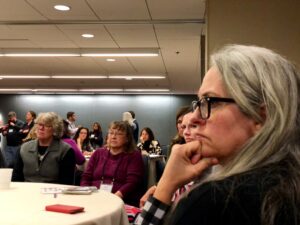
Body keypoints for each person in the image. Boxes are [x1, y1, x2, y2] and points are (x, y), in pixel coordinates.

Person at [135, 45, 300, 225]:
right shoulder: (290, 186)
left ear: (260, 118)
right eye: (198, 103)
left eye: (210, 102)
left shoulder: (213, 202)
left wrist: (165, 186)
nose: (193, 117)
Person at [80, 121, 144, 206]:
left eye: (119, 134)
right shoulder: (98, 153)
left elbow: (132, 183)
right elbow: (86, 177)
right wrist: (86, 194)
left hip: (120, 202)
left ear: (127, 138)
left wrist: (113, 199)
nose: (113, 137)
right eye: (111, 133)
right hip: (93, 199)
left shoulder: (134, 155)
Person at [12, 112, 76, 185]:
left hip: (54, 194)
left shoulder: (65, 150)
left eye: (46, 125)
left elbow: (66, 184)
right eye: (39, 124)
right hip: (27, 193)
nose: (41, 128)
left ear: (55, 129)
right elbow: (16, 179)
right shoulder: (24, 148)